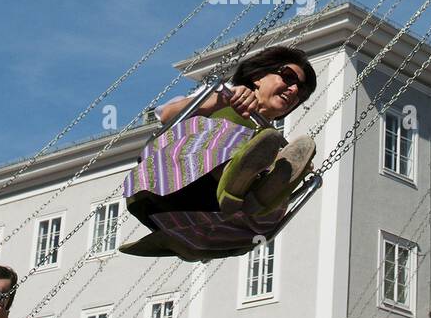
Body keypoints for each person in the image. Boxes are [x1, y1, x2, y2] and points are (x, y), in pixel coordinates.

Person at [121, 45, 318, 262]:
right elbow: (168, 115)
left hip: (191, 218)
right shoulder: (220, 96)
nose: (294, 90)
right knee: (238, 134)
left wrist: (288, 170)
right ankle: (236, 181)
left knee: (277, 169)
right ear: (258, 76)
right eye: (288, 78)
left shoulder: (273, 144)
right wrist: (220, 99)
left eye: (302, 92)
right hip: (165, 180)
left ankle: (249, 191)